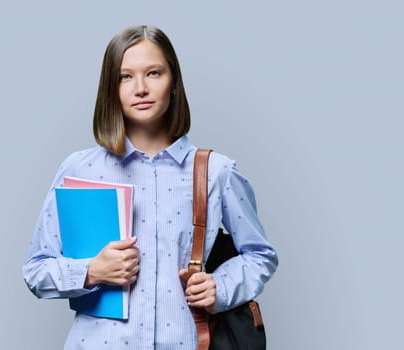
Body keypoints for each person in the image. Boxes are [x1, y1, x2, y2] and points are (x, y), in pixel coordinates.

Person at [23, 25, 278, 349]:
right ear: (110, 89)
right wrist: (91, 271)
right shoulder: (80, 169)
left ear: (174, 83)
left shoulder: (217, 172)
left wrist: (221, 288)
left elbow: (260, 256)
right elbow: (36, 269)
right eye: (125, 76)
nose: (140, 87)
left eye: (153, 73)